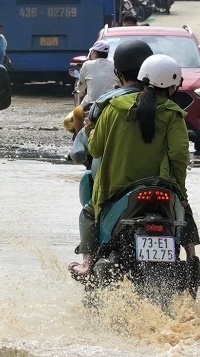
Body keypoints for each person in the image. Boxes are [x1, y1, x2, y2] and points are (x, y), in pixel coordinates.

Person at [72, 52, 193, 277]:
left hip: (116, 192)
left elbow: (95, 149)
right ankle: (193, 259)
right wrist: (181, 194)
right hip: (162, 189)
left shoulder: (113, 107)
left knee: (89, 213)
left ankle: (87, 265)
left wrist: (90, 128)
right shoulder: (173, 114)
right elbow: (178, 156)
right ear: (173, 86)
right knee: (185, 214)